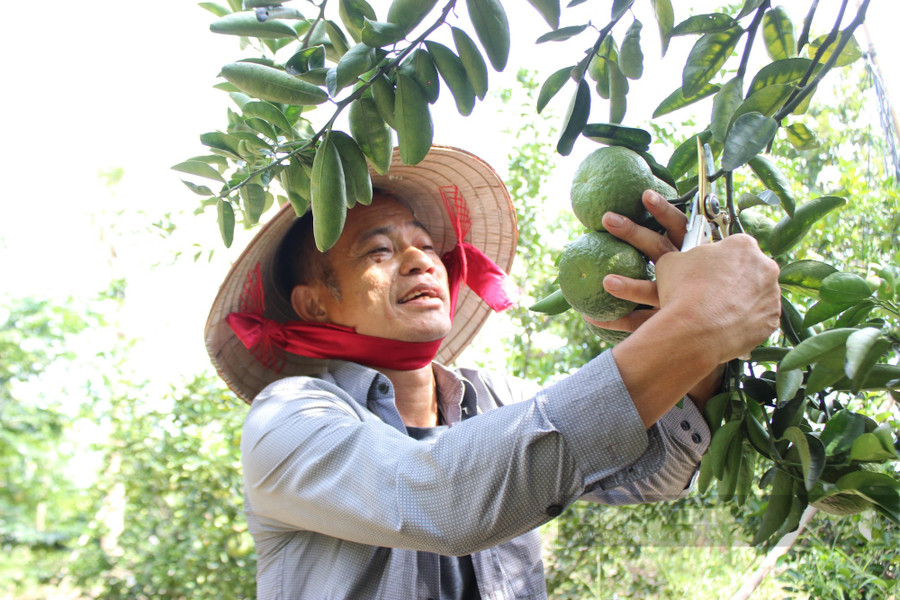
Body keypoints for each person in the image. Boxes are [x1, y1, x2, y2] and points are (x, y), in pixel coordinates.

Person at [205, 146, 781, 599]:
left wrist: (693, 348)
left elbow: (651, 471)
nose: (418, 259)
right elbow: (439, 495)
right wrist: (693, 326)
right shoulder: (287, 421)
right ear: (314, 305)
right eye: (377, 252)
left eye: (426, 244)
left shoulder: (491, 397)